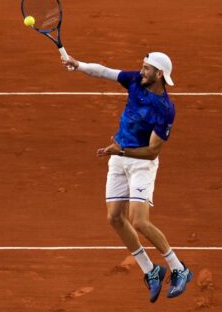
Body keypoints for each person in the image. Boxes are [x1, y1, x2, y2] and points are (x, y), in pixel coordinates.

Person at [62, 52, 192, 303]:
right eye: (142, 68)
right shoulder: (134, 80)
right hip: (118, 158)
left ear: (159, 74)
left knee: (140, 221)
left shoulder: (165, 109)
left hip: (141, 164)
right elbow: (103, 71)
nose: (141, 71)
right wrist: (79, 65)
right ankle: (150, 270)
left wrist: (120, 149)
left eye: (146, 69)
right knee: (115, 218)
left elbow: (152, 151)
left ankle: (179, 269)